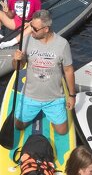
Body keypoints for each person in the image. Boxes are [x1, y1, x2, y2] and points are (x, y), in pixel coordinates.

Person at [11, 8, 76, 136]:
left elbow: (68, 70)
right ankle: (34, 111)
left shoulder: (62, 44)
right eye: (30, 26)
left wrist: (72, 96)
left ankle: (50, 115)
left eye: (35, 29)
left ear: (46, 29)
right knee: (18, 126)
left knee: (62, 132)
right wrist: (16, 60)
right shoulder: (27, 40)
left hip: (54, 98)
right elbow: (18, 67)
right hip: (30, 95)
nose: (31, 31)